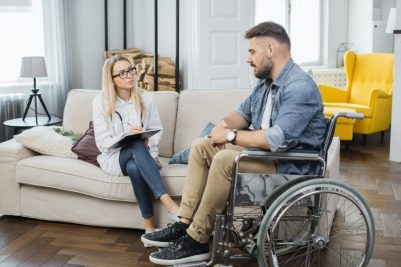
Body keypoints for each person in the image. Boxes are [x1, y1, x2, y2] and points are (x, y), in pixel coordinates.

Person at [142, 21, 326, 265]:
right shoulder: (266, 82)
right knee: (201, 145)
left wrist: (230, 137)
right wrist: (223, 126)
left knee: (226, 158)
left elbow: (278, 138)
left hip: (289, 167)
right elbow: (241, 114)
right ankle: (184, 224)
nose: (248, 59)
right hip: (268, 159)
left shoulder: (299, 86)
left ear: (270, 49)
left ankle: (197, 241)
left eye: (252, 52)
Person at [93, 55, 179, 237]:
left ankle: (149, 225)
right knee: (133, 143)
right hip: (115, 158)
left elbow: (157, 130)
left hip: (143, 155)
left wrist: (148, 140)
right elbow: (101, 143)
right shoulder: (100, 102)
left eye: (131, 70)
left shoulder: (145, 98)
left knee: (135, 163)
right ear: (112, 79)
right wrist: (126, 136)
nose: (130, 76)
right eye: (122, 73)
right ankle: (169, 203)